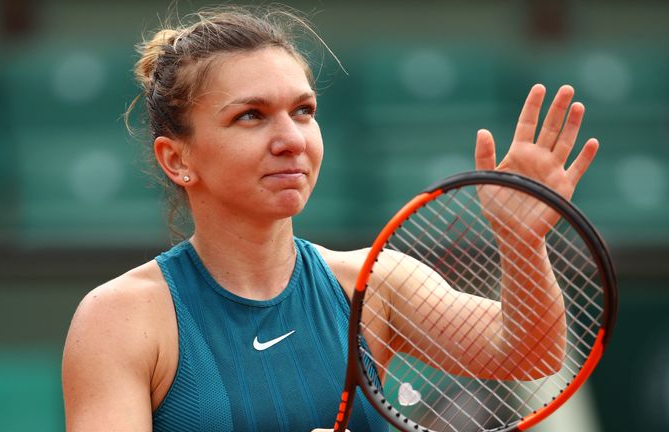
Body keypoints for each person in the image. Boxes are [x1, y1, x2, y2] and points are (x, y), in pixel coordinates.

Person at [61, 5, 599, 432]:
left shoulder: (376, 284)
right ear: (177, 158)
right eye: (250, 116)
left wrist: (521, 241)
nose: (291, 140)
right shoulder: (119, 320)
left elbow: (530, 355)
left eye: (303, 111)